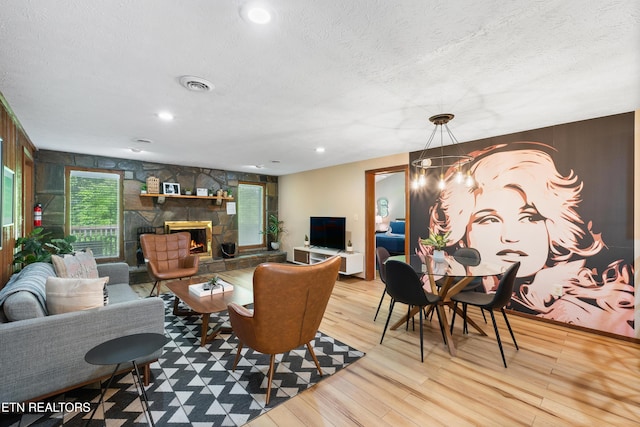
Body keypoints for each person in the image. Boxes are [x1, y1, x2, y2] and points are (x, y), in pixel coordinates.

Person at [424, 142, 634, 337]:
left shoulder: (583, 310)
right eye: (488, 219)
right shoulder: (463, 276)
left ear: (553, 226)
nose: (510, 237)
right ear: (463, 235)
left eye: (529, 217)